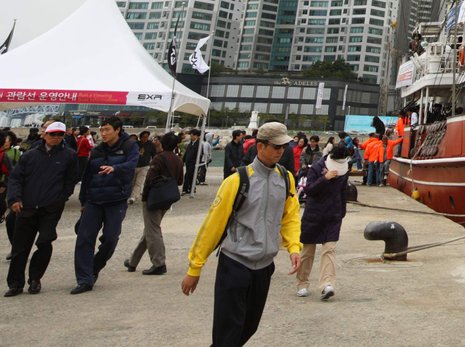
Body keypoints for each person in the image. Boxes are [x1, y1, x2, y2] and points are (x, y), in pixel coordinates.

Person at [181, 122, 301, 347]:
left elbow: (290, 217)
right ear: (260, 146)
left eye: (283, 146)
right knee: (228, 331)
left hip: (264, 266)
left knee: (249, 326)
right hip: (235, 264)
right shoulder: (237, 181)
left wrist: (294, 247)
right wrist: (194, 268)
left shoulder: (286, 179)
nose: (280, 151)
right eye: (276, 146)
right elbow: (212, 227)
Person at [4, 121, 80, 296]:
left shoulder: (69, 156)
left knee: (45, 242)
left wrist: (62, 197)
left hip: (51, 208)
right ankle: (15, 283)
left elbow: (71, 179)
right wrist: (14, 199)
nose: (56, 138)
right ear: (44, 134)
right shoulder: (29, 155)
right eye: (52, 134)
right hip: (27, 206)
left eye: (60, 135)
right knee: (20, 246)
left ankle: (35, 278)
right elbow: (16, 178)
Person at [69, 116, 139, 293]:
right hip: (94, 199)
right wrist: (83, 200)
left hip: (116, 200)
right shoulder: (98, 150)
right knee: (84, 238)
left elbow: (132, 164)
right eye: (102, 130)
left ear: (118, 129)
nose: (104, 133)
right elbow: (87, 176)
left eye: (107, 129)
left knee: (110, 238)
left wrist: (116, 168)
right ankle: (84, 279)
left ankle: (94, 267)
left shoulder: (129, 146)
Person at [124, 131, 184, 275]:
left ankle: (159, 263)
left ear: (162, 144)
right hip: (167, 198)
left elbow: (149, 180)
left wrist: (144, 197)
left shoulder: (159, 158)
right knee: (151, 229)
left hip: (154, 197)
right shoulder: (178, 159)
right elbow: (180, 180)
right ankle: (133, 261)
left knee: (153, 231)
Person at [295, 142, 350, 300]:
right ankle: (302, 283)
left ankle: (327, 283)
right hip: (314, 214)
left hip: (333, 215)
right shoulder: (316, 168)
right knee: (307, 251)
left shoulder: (343, 170)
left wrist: (341, 212)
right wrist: (324, 178)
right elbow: (309, 190)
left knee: (329, 249)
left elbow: (343, 192)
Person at [130, 130, 155, 204]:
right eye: (144, 137)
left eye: (147, 137)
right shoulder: (136, 144)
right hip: (134, 165)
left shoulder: (150, 145)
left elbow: (154, 154)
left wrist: (153, 163)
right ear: (140, 137)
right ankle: (129, 195)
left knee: (139, 182)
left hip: (144, 166)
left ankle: (133, 197)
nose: (145, 138)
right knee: (131, 182)